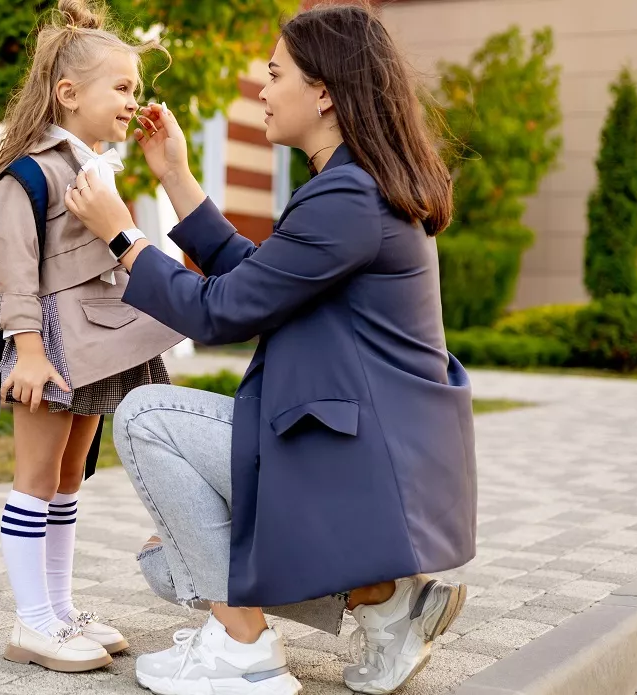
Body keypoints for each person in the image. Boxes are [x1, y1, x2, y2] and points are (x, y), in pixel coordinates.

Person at [62, 3, 476, 694]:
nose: (262, 88)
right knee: (170, 560)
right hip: (369, 464)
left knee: (143, 418)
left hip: (359, 467)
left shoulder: (349, 196)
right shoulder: (357, 187)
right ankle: (384, 602)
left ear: (324, 91)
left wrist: (123, 237)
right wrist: (175, 177)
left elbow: (225, 311)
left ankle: (241, 647)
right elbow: (260, 275)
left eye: (275, 73)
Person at [0, 0, 184, 674]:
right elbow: (20, 274)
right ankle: (31, 622)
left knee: (66, 482)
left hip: (95, 344)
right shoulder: (31, 172)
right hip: (51, 345)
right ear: (67, 93)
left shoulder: (93, 167)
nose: (132, 101)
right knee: (34, 480)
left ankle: (58, 610)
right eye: (122, 87)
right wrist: (26, 350)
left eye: (135, 90)